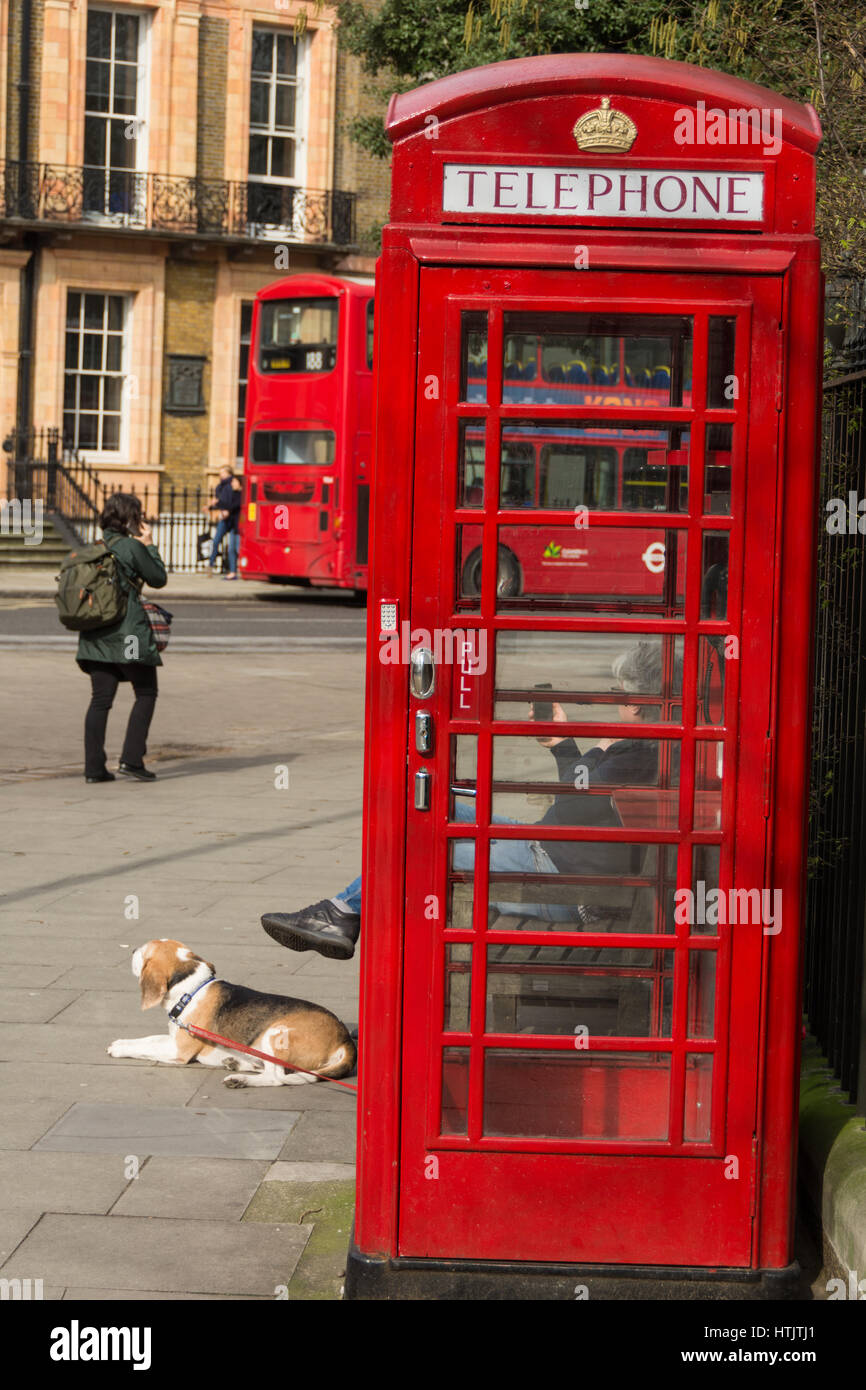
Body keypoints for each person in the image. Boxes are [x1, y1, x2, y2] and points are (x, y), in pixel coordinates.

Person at [261, 642, 671, 960]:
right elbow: (579, 802)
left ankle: (341, 915)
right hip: (549, 851)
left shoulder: (639, 753)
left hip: (560, 882)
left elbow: (573, 803)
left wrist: (587, 745)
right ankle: (341, 912)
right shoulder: (645, 746)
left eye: (620, 692)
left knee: (421, 856)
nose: (616, 699)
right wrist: (569, 743)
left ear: (637, 701)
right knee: (427, 805)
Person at [77, 493, 168, 783]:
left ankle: (93, 769)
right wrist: (150, 544)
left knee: (100, 700)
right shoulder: (130, 546)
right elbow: (158, 577)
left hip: (95, 635)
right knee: (146, 692)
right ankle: (131, 760)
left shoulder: (93, 547)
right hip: (127, 635)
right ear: (131, 517)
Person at [205, 466, 242, 579]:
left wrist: (220, 505)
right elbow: (222, 502)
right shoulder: (219, 487)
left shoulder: (235, 489)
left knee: (233, 547)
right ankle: (211, 565)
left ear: (229, 474)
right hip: (225, 519)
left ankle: (233, 571)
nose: (220, 475)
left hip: (234, 521)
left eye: (222, 473)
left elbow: (233, 504)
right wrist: (213, 506)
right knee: (216, 541)